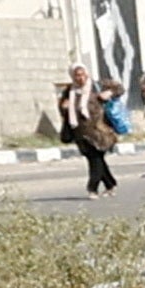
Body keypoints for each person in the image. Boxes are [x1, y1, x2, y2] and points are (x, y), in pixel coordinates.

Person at [57, 65, 121, 197]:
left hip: (99, 130)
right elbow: (63, 110)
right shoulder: (70, 90)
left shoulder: (98, 85)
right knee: (95, 159)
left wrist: (109, 93)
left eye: (82, 74)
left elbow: (119, 88)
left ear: (87, 74)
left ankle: (92, 188)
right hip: (80, 132)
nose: (80, 78)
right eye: (77, 75)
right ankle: (110, 184)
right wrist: (64, 107)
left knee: (96, 158)